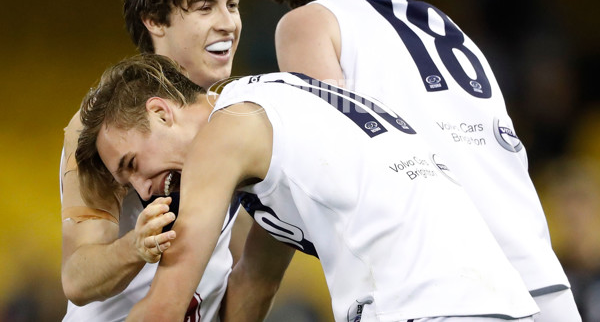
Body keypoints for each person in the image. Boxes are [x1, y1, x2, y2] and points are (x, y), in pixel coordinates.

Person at [257, 0, 581, 321]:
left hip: (439, 284)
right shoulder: (445, 25)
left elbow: (325, 156)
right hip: (538, 271)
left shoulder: (309, 20)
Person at [75, 53, 540, 322]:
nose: (144, 190)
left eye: (133, 164)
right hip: (497, 299)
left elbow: (164, 307)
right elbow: (256, 278)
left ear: (161, 112)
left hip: (423, 306)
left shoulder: (225, 135)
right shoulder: (277, 104)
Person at [60, 0, 268, 321]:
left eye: (233, 5)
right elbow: (76, 277)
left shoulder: (240, 117)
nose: (228, 24)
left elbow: (240, 265)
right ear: (155, 20)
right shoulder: (108, 128)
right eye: (206, 8)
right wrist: (133, 247)